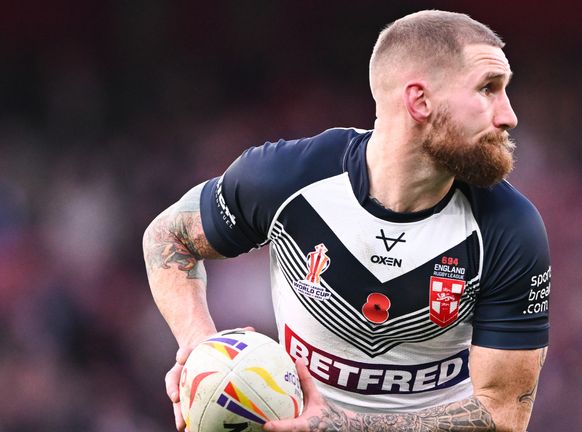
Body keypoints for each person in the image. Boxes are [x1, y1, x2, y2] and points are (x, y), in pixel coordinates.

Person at [143, 9, 551, 432]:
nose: (508, 115)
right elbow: (168, 236)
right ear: (420, 100)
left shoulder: (509, 228)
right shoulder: (287, 177)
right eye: (488, 89)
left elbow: (505, 414)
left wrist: (345, 426)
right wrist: (199, 348)